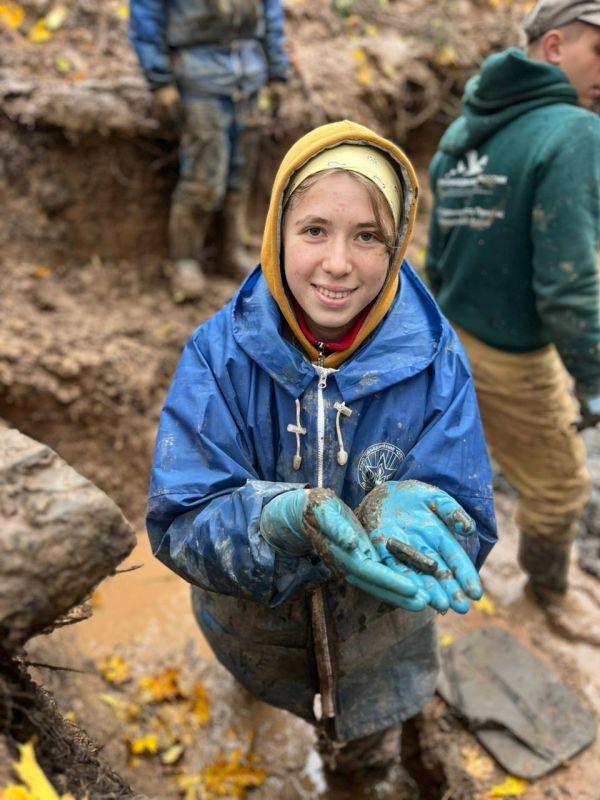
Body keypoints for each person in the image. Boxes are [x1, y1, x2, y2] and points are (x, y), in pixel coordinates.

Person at [147, 120, 497, 784]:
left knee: (365, 764)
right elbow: (179, 521)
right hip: (252, 628)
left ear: (396, 247)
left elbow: (468, 527)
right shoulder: (218, 356)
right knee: (255, 695)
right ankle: (256, 696)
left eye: (368, 236)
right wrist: (271, 519)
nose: (338, 263)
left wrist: (417, 509)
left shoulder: (436, 360)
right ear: (276, 229)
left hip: (380, 648)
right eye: (314, 230)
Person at [426, 0, 600, 643]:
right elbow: (567, 284)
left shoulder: (463, 135)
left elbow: (437, 257)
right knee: (561, 488)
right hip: (516, 352)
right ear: (554, 48)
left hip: (454, 334)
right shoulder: (574, 131)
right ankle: (549, 592)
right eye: (599, 53)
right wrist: (593, 377)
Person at [129, 0, 291, 302]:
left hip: (249, 80)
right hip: (198, 82)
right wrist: (160, 81)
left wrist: (278, 71)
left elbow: (271, 14)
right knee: (203, 179)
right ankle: (184, 261)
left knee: (239, 175)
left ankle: (231, 251)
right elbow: (146, 18)